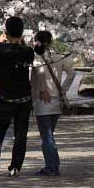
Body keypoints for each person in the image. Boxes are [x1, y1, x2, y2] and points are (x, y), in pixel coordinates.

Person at [0, 16, 35, 178]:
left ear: (6, 31)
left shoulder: (0, 51)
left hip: (5, 100)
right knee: (20, 134)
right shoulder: (27, 51)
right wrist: (21, 42)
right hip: (24, 100)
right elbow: (25, 53)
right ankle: (15, 167)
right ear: (21, 33)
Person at [30, 30, 75, 176]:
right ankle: (53, 165)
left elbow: (40, 72)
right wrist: (64, 89)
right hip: (57, 101)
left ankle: (52, 167)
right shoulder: (59, 57)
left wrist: (43, 90)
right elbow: (72, 73)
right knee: (49, 135)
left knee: (46, 136)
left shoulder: (37, 57)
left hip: (43, 101)